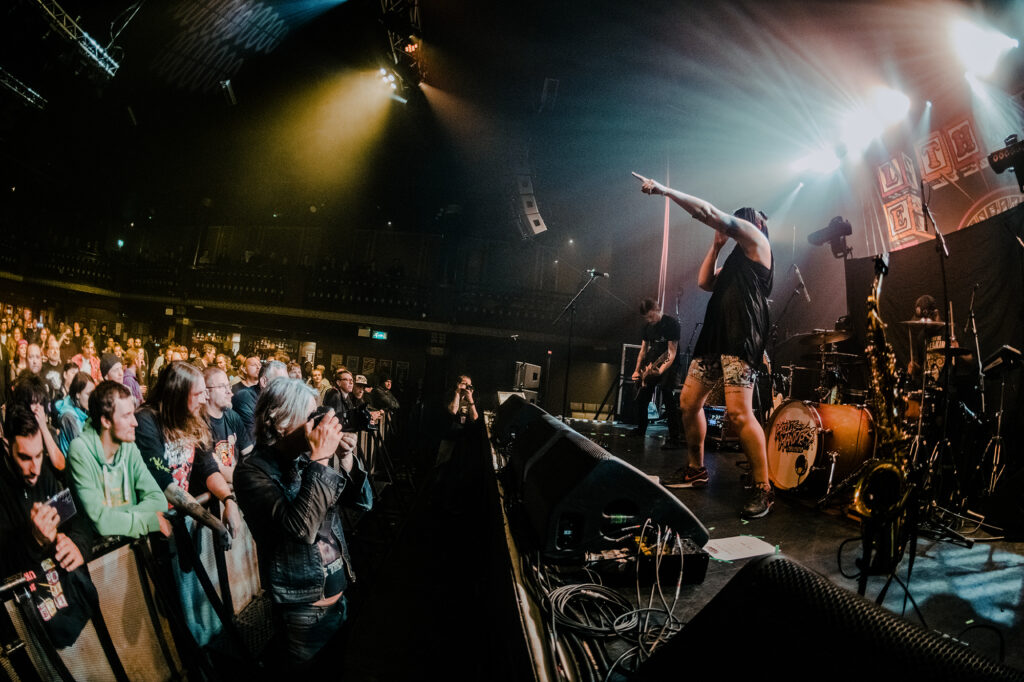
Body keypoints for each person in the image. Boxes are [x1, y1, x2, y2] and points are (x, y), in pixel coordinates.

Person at [635, 173, 775, 518]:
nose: (733, 226)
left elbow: (710, 212)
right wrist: (715, 247)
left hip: (741, 335)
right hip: (715, 335)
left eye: (738, 222)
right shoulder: (734, 260)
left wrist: (665, 190)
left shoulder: (758, 242)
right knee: (688, 401)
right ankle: (696, 469)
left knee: (740, 413)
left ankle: (763, 488)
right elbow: (705, 282)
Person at [234, 378, 372, 670]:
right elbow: (300, 530)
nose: (318, 424)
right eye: (310, 417)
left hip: (341, 595)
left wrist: (346, 459)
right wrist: (321, 457)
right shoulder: (252, 473)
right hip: (304, 613)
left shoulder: (304, 460)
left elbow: (361, 502)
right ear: (281, 423)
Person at [0, 405, 97, 649]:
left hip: (65, 607)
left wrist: (77, 544)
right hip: (21, 623)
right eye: (24, 457)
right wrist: (33, 541)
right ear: (6, 446)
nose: (34, 468)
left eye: (39, 455)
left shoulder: (45, 476)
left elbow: (79, 521)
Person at [66, 381, 171, 539]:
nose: (135, 423)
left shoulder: (128, 447)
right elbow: (101, 522)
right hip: (97, 556)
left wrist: (116, 520)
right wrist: (148, 520)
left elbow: (158, 500)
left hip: (128, 551)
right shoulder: (80, 451)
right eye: (126, 416)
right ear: (106, 421)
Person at [631, 298, 682, 449]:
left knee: (667, 396)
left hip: (670, 365)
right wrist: (636, 370)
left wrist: (660, 370)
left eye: (651, 316)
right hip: (652, 364)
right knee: (643, 396)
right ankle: (641, 430)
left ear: (657, 309)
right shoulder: (647, 328)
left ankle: (674, 438)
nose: (649, 320)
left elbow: (672, 353)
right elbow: (643, 350)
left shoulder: (671, 324)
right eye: (646, 317)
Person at [204, 366, 254, 482]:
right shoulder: (200, 423)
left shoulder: (232, 416)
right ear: (206, 392)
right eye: (222, 387)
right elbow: (218, 469)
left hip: (236, 484)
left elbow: (249, 455)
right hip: (218, 490)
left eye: (228, 386)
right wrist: (250, 479)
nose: (230, 392)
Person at [57, 373, 95, 455]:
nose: (92, 398)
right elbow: (81, 450)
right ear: (78, 394)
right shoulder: (68, 416)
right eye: (89, 394)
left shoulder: (81, 409)